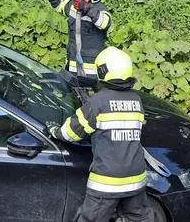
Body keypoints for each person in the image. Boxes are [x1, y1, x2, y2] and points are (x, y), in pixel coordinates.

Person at [49, 47, 156, 222]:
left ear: (102, 71)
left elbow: (71, 133)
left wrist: (54, 130)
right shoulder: (136, 100)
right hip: (136, 177)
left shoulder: (97, 102)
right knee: (139, 217)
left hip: (107, 181)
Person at [39, 0, 111, 84]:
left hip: (90, 71)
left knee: (88, 98)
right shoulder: (75, 6)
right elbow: (60, 5)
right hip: (72, 66)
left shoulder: (101, 10)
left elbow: (105, 23)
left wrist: (87, 9)